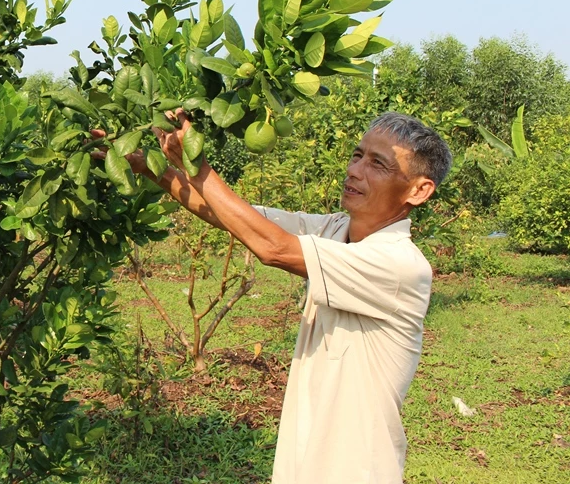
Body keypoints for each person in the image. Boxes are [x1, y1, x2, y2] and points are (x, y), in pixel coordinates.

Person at [95, 110, 452, 484]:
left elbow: (273, 248)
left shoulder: (399, 266)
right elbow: (234, 217)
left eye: (378, 164)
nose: (355, 170)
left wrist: (197, 166)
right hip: (303, 464)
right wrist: (149, 165)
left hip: (356, 470)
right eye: (357, 155)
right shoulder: (335, 228)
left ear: (419, 190)